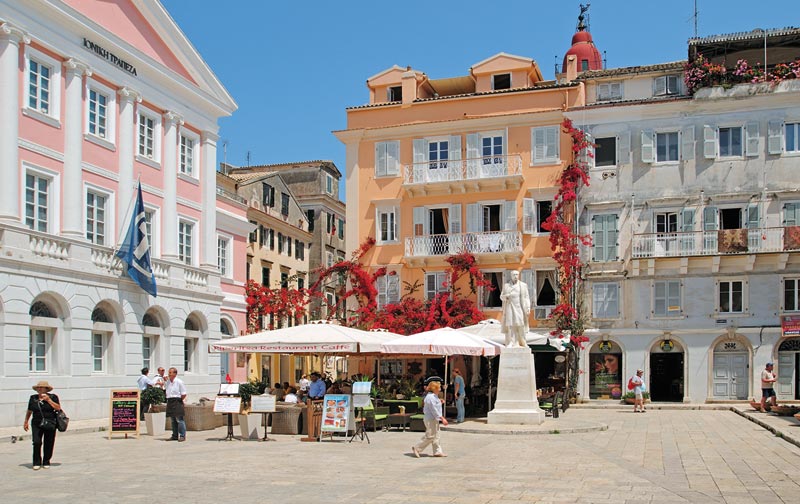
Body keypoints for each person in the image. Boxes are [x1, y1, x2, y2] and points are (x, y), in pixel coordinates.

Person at [23, 381, 62, 470]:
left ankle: (46, 461)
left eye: (42, 387)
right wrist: (26, 421)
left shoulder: (53, 397)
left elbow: (58, 408)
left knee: (49, 442)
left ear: (46, 389)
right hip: (37, 422)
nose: (39, 389)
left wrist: (48, 400)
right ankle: (36, 462)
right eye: (38, 387)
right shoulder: (33, 398)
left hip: (50, 422)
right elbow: (29, 410)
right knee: (36, 442)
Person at [411, 378, 448, 458]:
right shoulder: (430, 397)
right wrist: (442, 418)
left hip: (434, 419)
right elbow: (433, 409)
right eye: (439, 388)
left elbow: (435, 405)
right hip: (430, 419)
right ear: (435, 389)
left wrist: (440, 401)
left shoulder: (434, 396)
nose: (440, 389)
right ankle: (417, 448)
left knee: (437, 435)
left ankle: (437, 451)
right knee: (430, 436)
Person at [500, 270, 531, 347]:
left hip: (519, 307)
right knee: (511, 325)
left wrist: (528, 307)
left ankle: (522, 341)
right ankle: (511, 342)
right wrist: (505, 296)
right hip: (510, 306)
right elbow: (501, 296)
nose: (515, 276)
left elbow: (527, 297)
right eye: (514, 275)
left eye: (517, 274)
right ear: (511, 275)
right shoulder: (506, 286)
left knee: (520, 324)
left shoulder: (523, 285)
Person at [165, 367, 187, 442]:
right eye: (169, 372)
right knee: (173, 420)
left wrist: (179, 400)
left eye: (170, 372)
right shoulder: (168, 382)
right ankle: (174, 435)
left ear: (175, 374)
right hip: (170, 400)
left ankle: (182, 435)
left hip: (177, 400)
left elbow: (184, 394)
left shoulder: (179, 382)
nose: (169, 374)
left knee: (179, 419)